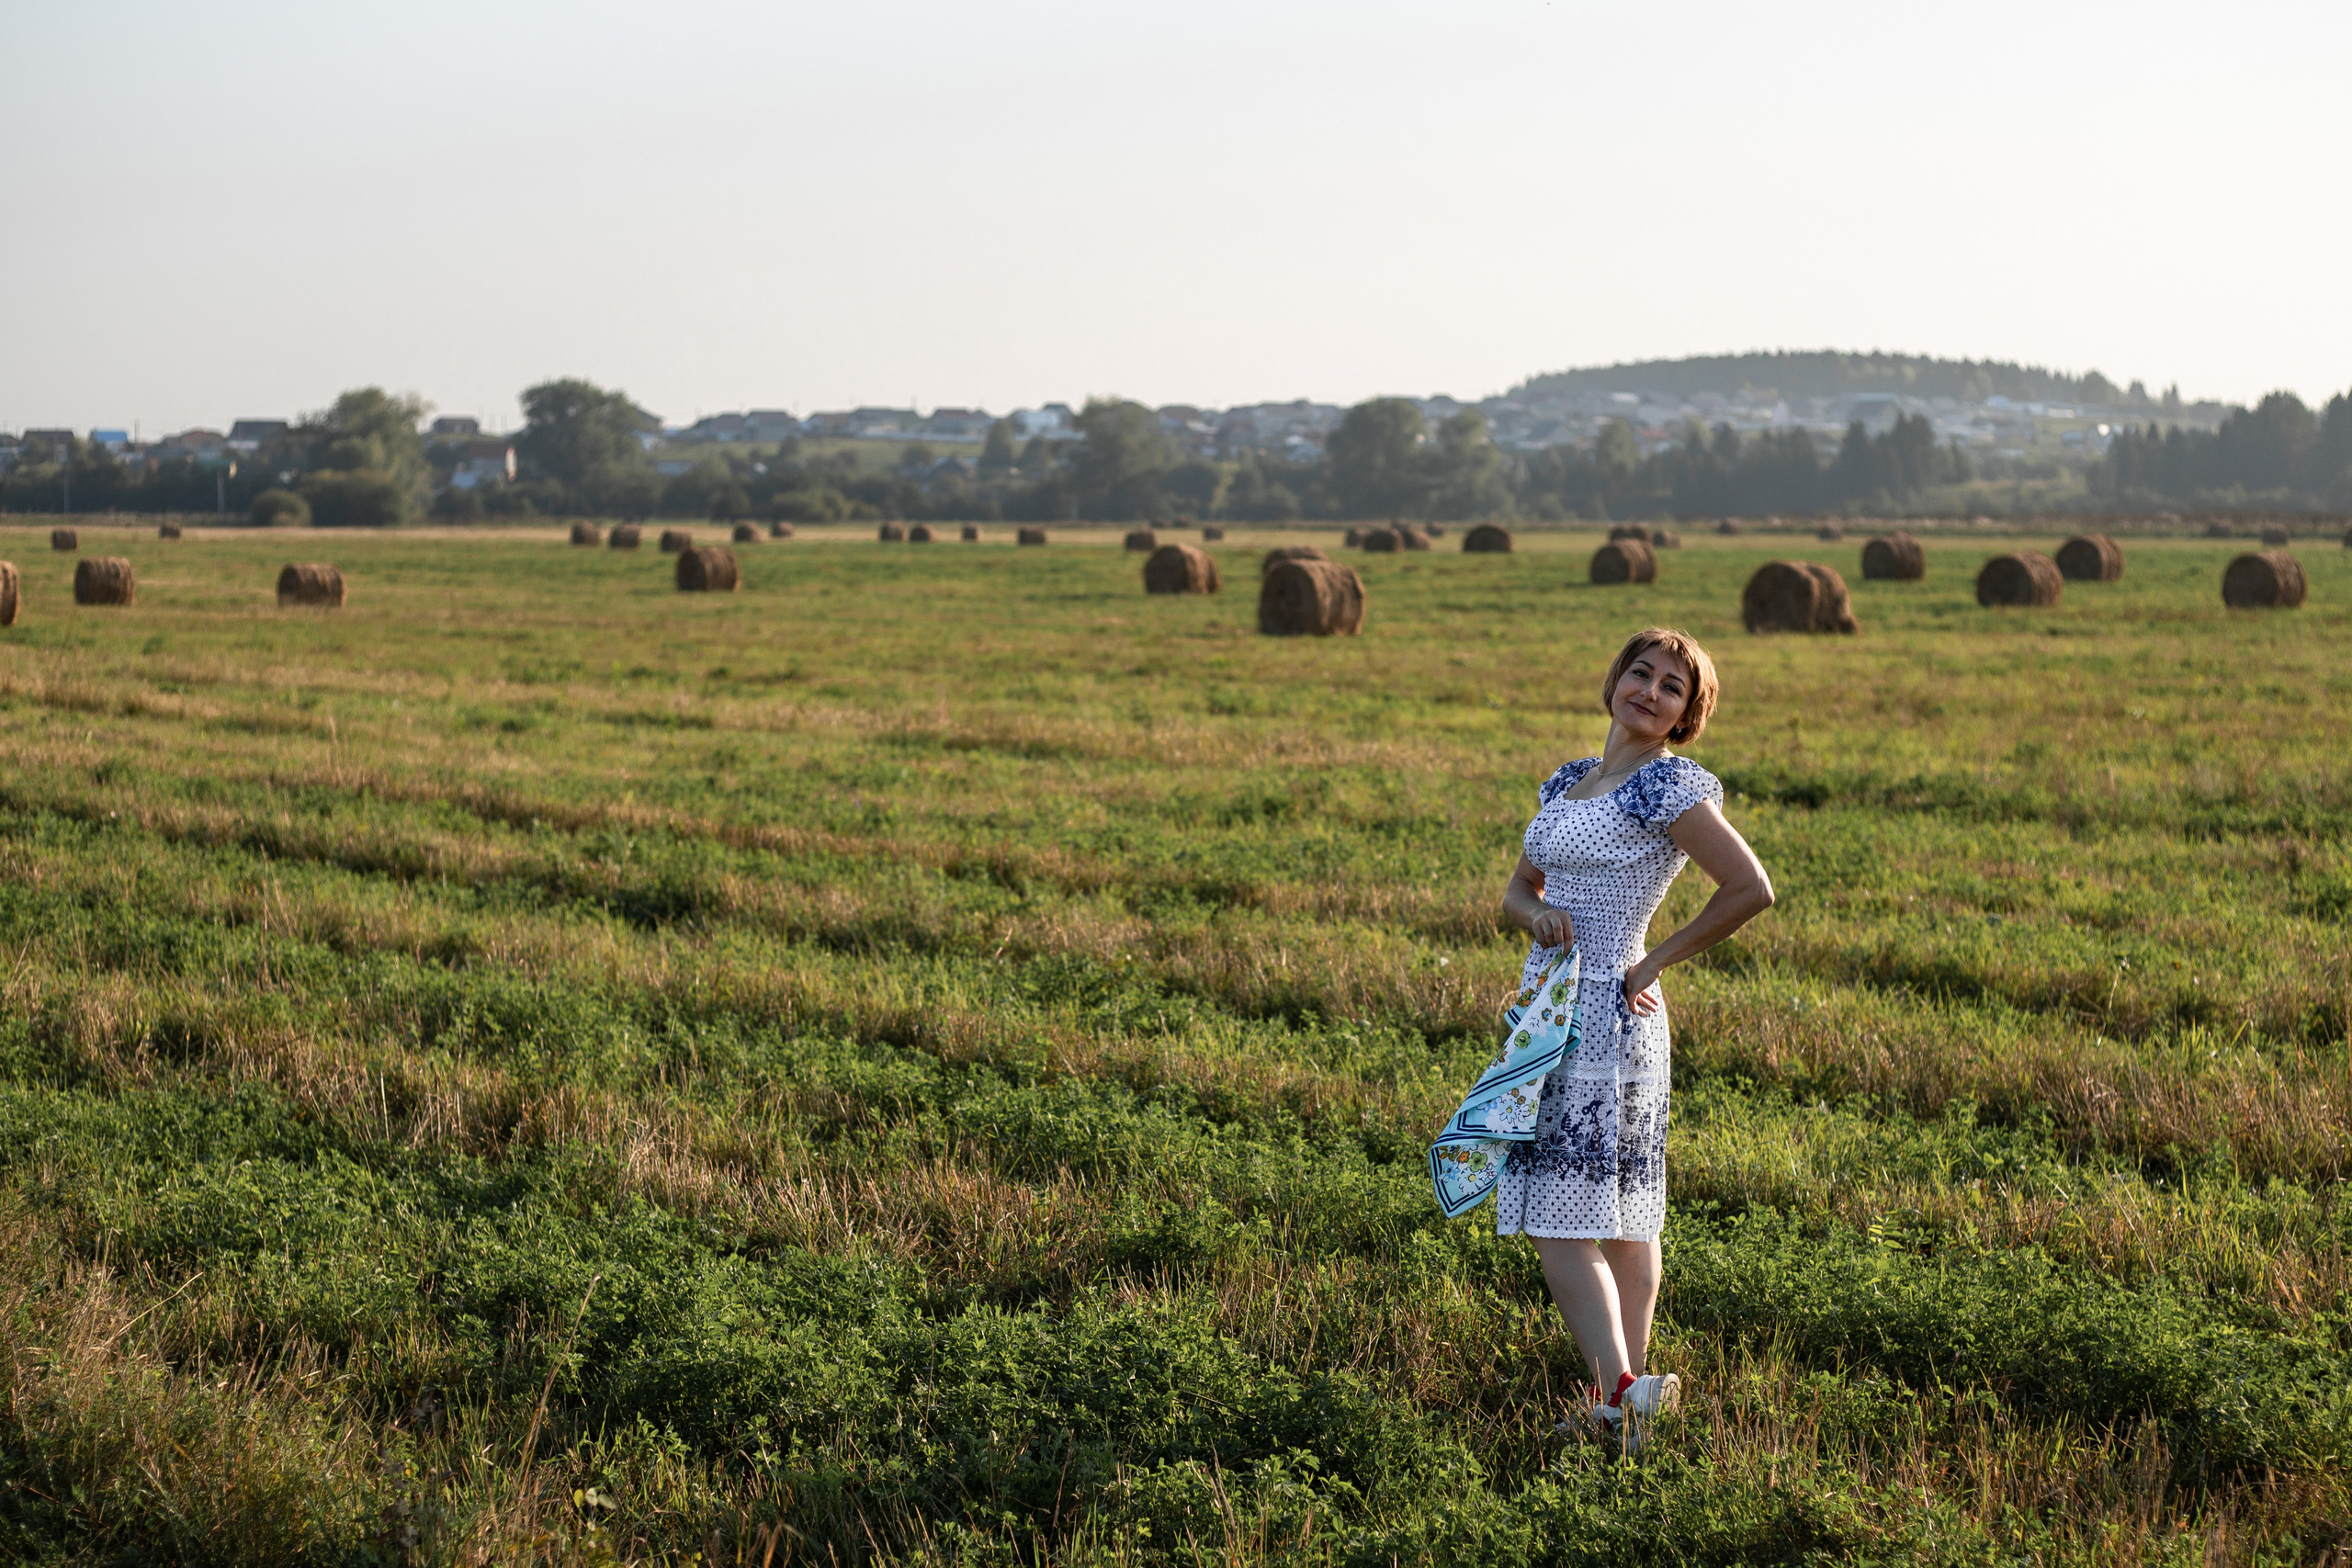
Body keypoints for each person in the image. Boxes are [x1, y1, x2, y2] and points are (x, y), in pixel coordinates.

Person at [1495, 626, 1773, 1445]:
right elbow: (1516, 887)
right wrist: (1536, 914)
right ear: (1614, 678)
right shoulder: (1572, 780)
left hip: (1610, 1017)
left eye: (1672, 687)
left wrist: (1651, 962)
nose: (1650, 691)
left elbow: (1749, 887)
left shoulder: (1667, 787)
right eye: (1641, 672)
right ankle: (1627, 1405)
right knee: (1618, 1216)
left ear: (1688, 713)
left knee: (1561, 1216)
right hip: (1548, 1011)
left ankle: (1614, 1394)